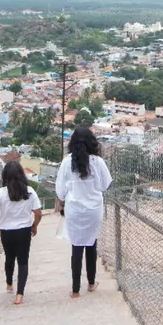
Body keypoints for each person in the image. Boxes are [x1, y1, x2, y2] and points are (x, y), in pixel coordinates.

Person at [56, 127, 113, 298]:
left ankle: (75, 290)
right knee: (91, 243)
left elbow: (60, 191)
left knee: (77, 246)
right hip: (94, 209)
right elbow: (105, 185)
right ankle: (91, 282)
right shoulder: (98, 162)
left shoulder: (67, 162)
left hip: (74, 209)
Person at [0, 160, 42, 304]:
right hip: (24, 231)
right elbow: (38, 213)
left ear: (5, 175)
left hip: (6, 232)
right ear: (21, 174)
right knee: (23, 261)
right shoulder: (29, 191)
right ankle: (20, 295)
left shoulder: (1, 193)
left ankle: (9, 283)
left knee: (9, 257)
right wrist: (34, 225)